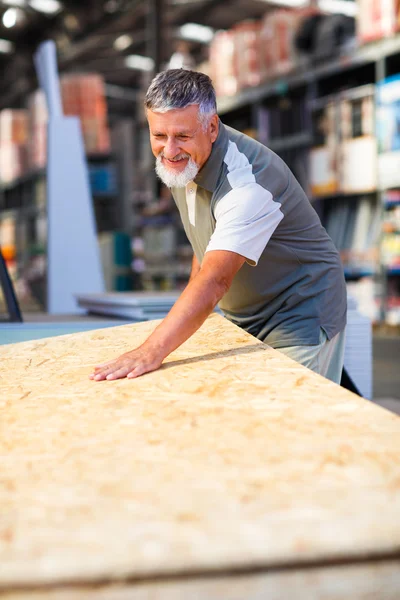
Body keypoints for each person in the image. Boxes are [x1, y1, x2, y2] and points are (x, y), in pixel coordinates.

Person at [90, 69, 346, 384]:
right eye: (159, 136)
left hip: (298, 315)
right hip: (245, 316)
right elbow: (207, 245)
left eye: (182, 136)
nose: (169, 150)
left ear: (212, 127)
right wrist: (193, 321)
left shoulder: (248, 185)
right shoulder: (183, 161)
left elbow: (214, 281)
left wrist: (150, 350)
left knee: (286, 420)